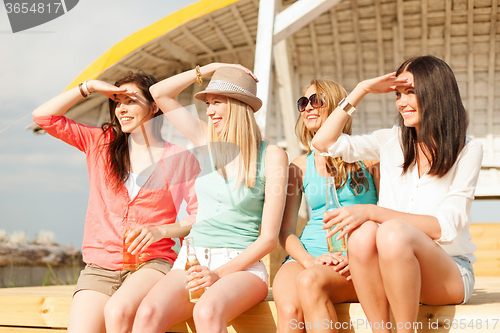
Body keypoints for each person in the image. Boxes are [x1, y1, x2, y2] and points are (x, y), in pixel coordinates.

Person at [312, 55, 483, 333]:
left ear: (436, 92)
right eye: (398, 94)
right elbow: (323, 142)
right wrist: (361, 90)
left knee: (390, 231)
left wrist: (373, 212)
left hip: (448, 272)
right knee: (363, 235)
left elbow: (446, 227)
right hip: (394, 269)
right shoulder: (391, 140)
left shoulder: (467, 149)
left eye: (411, 92)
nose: (401, 102)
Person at [32, 71, 200, 333]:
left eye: (130, 100)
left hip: (151, 263)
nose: (121, 109)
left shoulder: (179, 158)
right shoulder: (100, 142)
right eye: (117, 102)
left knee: (118, 310)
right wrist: (89, 87)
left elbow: (198, 216)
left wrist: (161, 231)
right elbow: (43, 117)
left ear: (154, 106)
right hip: (100, 266)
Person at [131, 64, 288, 333]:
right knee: (147, 314)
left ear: (238, 105)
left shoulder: (272, 155)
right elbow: (160, 93)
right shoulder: (206, 139)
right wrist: (212, 68)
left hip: (243, 267)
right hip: (192, 260)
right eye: (208, 103)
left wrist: (217, 274)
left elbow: (268, 239)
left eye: (217, 102)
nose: (209, 110)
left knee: (207, 312)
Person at [272, 79, 379, 333]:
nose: (308, 107)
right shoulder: (297, 167)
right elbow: (285, 232)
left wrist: (358, 259)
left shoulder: (369, 160)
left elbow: (387, 218)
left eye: (316, 100)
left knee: (310, 282)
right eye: (303, 103)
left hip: (355, 261)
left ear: (335, 108)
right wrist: (310, 260)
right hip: (308, 256)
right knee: (289, 312)